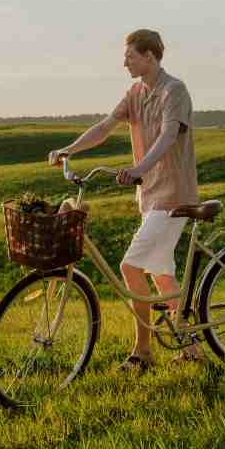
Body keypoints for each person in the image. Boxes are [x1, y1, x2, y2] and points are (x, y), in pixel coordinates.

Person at [48, 28, 201, 371]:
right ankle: (191, 348)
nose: (125, 63)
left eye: (130, 56)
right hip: (150, 196)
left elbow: (167, 137)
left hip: (173, 194)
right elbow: (104, 127)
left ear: (149, 56)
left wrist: (137, 168)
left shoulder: (174, 91)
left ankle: (142, 352)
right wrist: (68, 150)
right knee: (160, 273)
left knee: (130, 267)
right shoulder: (135, 93)